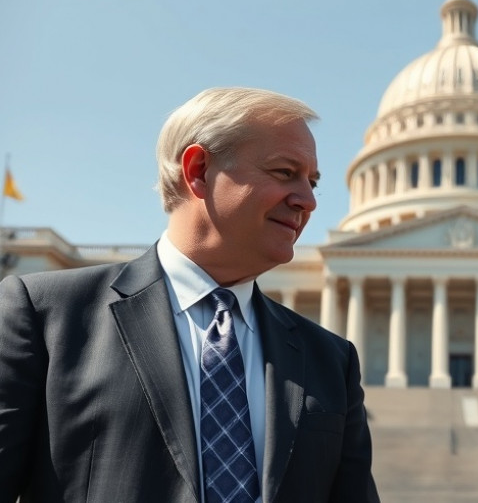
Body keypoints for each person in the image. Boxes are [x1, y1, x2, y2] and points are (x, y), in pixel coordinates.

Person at [0, 87, 380, 502]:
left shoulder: (331, 359)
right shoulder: (46, 316)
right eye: (285, 172)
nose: (307, 201)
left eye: (312, 182)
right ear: (198, 170)